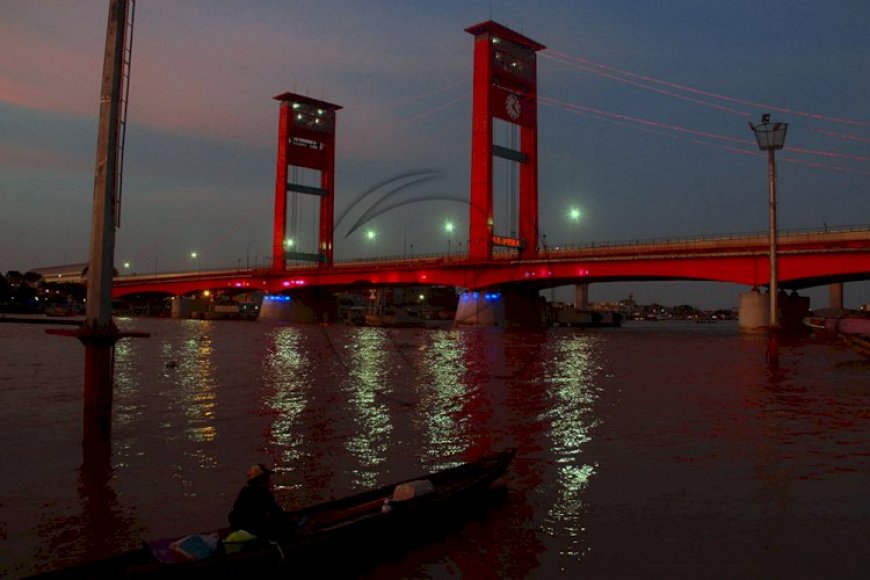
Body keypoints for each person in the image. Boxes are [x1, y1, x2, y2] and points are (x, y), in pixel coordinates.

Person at [228, 463, 288, 539]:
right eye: (267, 477)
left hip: (244, 530)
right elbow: (273, 512)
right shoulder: (264, 493)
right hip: (258, 532)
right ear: (262, 479)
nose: (269, 479)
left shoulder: (245, 492)